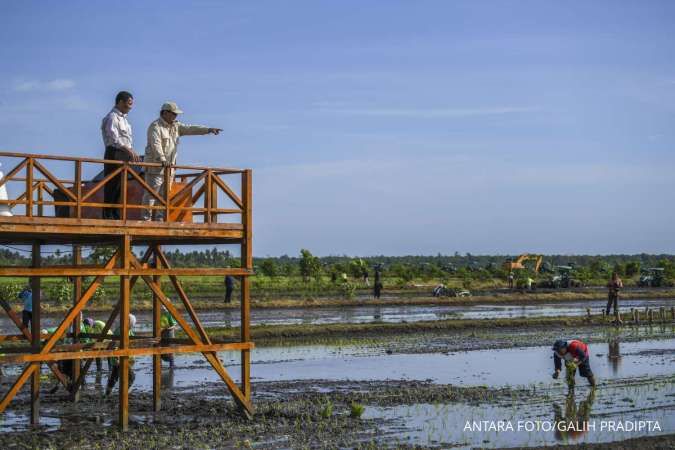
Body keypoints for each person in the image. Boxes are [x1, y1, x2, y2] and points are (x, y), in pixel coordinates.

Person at [142, 101, 222, 221]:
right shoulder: (155, 126)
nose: (175, 116)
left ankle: (159, 219)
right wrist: (162, 159)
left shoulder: (176, 126)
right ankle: (145, 220)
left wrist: (208, 130)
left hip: (169, 169)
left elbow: (191, 129)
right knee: (151, 195)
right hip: (155, 167)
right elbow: (156, 145)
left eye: (176, 114)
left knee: (164, 196)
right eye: (173, 114)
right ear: (165, 113)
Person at [101, 91, 140, 220]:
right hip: (115, 153)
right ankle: (108, 213)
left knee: (120, 185)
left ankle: (115, 211)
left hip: (124, 154)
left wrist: (130, 151)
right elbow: (114, 139)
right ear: (120, 102)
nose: (130, 107)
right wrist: (128, 150)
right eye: (128, 103)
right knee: (112, 183)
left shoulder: (124, 120)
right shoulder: (112, 117)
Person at [105, 314, 137, 396]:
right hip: (120, 358)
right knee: (131, 377)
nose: (133, 324)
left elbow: (133, 342)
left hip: (124, 358)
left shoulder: (128, 330)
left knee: (114, 377)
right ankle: (123, 394)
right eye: (132, 322)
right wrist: (117, 358)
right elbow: (115, 345)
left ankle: (107, 393)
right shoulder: (120, 330)